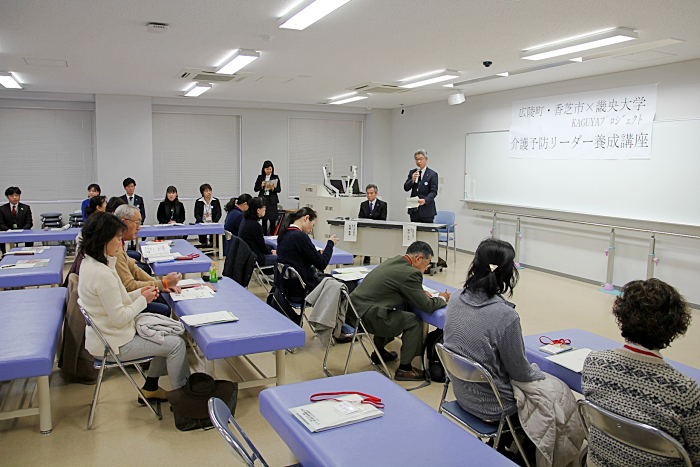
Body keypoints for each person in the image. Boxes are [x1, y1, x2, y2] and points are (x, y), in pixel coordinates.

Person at [582, 278, 700, 467]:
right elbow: (696, 456)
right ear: (674, 327)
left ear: (622, 317)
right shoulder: (684, 390)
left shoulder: (594, 361)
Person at [77, 212, 190, 401]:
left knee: (167, 333)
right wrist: (143, 300)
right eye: (118, 238)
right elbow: (120, 317)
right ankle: (184, 401)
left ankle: (151, 387)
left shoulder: (91, 263)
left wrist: (146, 291)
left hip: (110, 335)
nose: (120, 244)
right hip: (115, 343)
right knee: (176, 344)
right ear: (104, 240)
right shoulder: (102, 274)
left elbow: (119, 298)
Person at [349, 241, 450, 381]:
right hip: (368, 317)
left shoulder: (395, 261)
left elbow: (397, 286)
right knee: (413, 321)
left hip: (355, 312)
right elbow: (427, 306)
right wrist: (442, 298)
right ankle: (405, 368)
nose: (426, 268)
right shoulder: (411, 273)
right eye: (427, 263)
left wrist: (418, 292)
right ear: (418, 258)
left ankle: (379, 353)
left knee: (386, 310)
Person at [114, 204, 182, 317]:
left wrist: (161, 285)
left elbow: (135, 269)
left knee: (160, 295)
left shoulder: (119, 243)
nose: (139, 227)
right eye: (136, 223)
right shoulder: (114, 249)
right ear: (124, 222)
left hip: (127, 295)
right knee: (163, 307)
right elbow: (129, 286)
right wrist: (162, 284)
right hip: (124, 303)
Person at [276, 207, 338, 293]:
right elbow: (322, 264)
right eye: (312, 225)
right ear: (306, 218)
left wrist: (319, 253)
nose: (311, 230)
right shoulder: (299, 236)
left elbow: (299, 256)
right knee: (342, 285)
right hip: (302, 287)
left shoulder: (285, 234)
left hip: (286, 286)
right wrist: (330, 244)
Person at [238, 197, 277, 267]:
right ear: (258, 210)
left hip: (248, 256)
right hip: (256, 258)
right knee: (283, 259)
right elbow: (262, 246)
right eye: (264, 207)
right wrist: (271, 253)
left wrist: (270, 250)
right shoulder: (255, 225)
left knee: (271, 247)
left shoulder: (245, 221)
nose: (265, 209)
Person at [403, 149, 438, 223]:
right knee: (414, 233)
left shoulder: (432, 174)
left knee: (426, 233)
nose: (419, 161)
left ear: (426, 159)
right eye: (416, 159)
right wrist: (412, 180)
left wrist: (425, 200)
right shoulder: (412, 172)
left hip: (427, 210)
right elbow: (406, 188)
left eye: (421, 159)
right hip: (414, 209)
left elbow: (433, 192)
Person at [357, 183, 387, 265]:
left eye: (371, 193)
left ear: (376, 194)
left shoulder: (382, 204)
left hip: (376, 228)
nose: (369, 195)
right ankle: (363, 254)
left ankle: (369, 254)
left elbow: (383, 219)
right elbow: (360, 217)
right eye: (367, 193)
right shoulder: (363, 204)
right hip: (365, 228)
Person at [0, 186, 33, 254]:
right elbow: (1, 223)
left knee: (30, 235)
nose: (14, 197)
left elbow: (29, 223)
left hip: (22, 232)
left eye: (16, 195)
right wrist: (8, 230)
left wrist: (22, 231)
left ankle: (28, 253)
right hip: (7, 232)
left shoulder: (26, 208)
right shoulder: (2, 209)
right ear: (7, 197)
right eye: (12, 195)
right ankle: (4, 255)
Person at [253, 160, 281, 235]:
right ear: (264, 169)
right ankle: (264, 236)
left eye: (270, 169)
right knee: (264, 220)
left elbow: (279, 190)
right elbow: (255, 188)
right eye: (267, 169)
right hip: (263, 200)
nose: (269, 171)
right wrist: (261, 186)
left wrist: (273, 188)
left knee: (272, 220)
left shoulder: (275, 177)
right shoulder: (260, 177)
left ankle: (272, 235)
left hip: (272, 201)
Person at [194, 183, 222, 248]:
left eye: (210, 191)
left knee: (215, 231)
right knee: (201, 229)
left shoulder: (215, 201)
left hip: (213, 222)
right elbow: (196, 214)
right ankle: (203, 244)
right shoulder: (199, 201)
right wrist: (201, 222)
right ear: (202, 192)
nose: (209, 193)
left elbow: (219, 213)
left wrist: (214, 222)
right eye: (206, 191)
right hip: (202, 222)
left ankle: (213, 245)